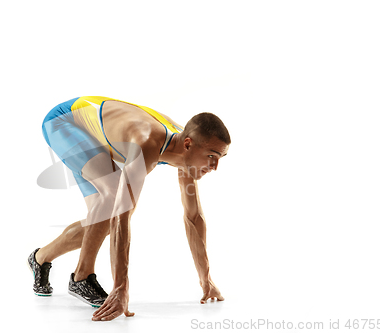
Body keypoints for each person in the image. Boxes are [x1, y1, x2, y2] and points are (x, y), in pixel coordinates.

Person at [28, 96, 230, 321]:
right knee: (114, 197)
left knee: (102, 222)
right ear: (188, 144)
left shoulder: (188, 151)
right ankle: (81, 278)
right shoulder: (147, 142)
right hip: (64, 123)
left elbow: (193, 217)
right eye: (211, 156)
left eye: (221, 157)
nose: (215, 167)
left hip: (96, 136)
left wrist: (206, 280)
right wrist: (120, 288)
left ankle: (39, 258)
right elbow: (121, 218)